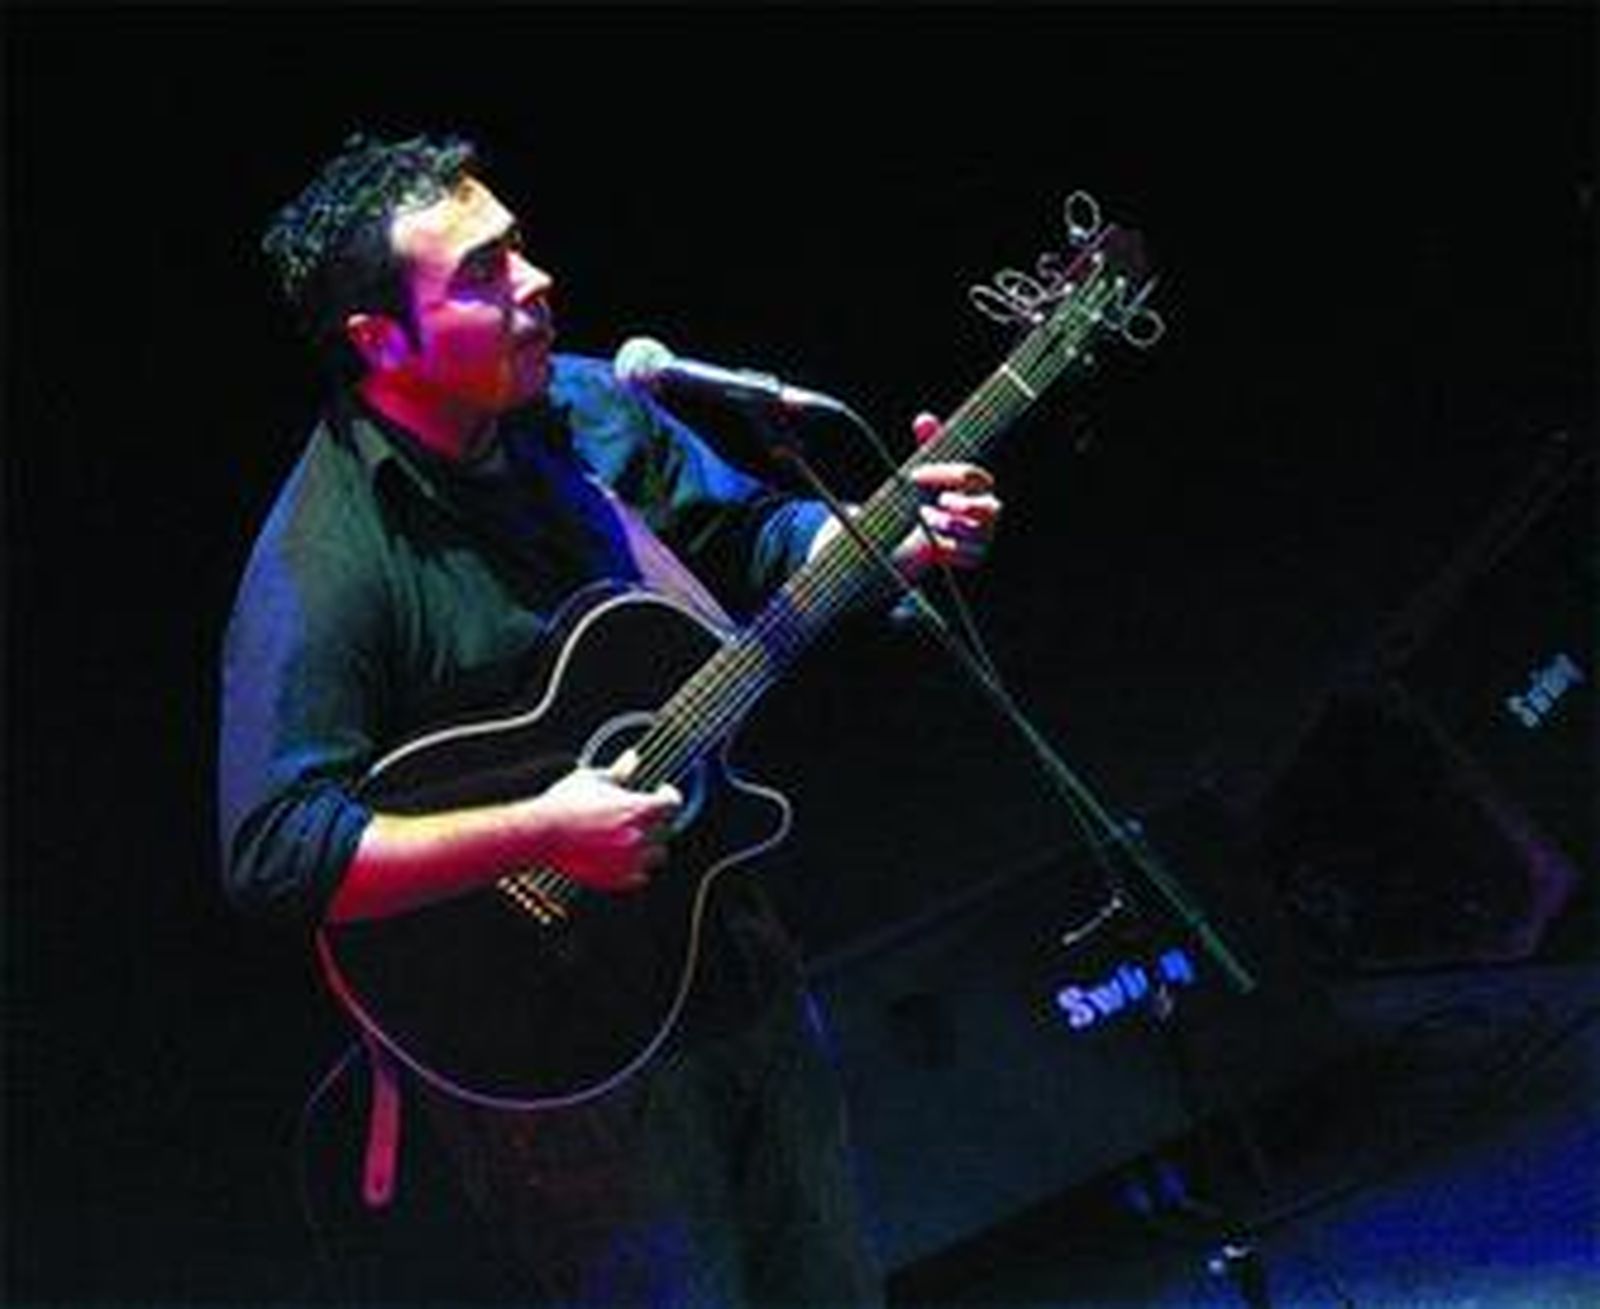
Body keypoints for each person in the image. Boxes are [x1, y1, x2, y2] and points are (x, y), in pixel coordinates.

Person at [219, 131, 1001, 1307]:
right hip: (547, 1054)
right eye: (482, 273)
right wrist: (538, 828)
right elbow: (278, 849)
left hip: (722, 951)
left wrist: (880, 537)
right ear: (380, 342)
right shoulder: (326, 561)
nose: (534, 283)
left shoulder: (580, 410)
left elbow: (748, 536)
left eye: (519, 248)